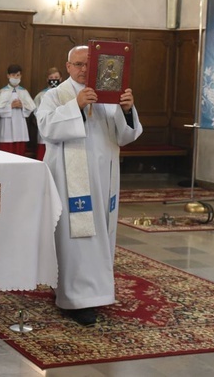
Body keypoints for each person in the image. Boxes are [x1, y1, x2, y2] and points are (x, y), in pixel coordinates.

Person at [36, 45, 142, 326]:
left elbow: (126, 136)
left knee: (101, 235)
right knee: (75, 237)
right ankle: (74, 298)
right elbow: (46, 128)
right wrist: (77, 106)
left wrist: (127, 110)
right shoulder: (55, 96)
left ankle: (97, 292)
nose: (84, 70)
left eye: (89, 65)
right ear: (68, 67)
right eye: (79, 64)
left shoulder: (109, 96)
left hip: (104, 179)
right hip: (70, 181)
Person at [0, 64, 36, 156]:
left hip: (20, 129)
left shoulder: (24, 92)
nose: (15, 77)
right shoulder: (2, 92)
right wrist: (10, 106)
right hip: (6, 129)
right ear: (8, 76)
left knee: (20, 155)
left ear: (21, 76)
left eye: (18, 75)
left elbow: (31, 108)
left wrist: (22, 106)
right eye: (13, 75)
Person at [33, 67, 62, 161]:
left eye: (56, 77)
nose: (54, 80)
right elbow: (37, 113)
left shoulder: (65, 93)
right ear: (47, 79)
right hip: (46, 130)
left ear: (61, 79)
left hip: (62, 129)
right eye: (51, 77)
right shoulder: (41, 95)